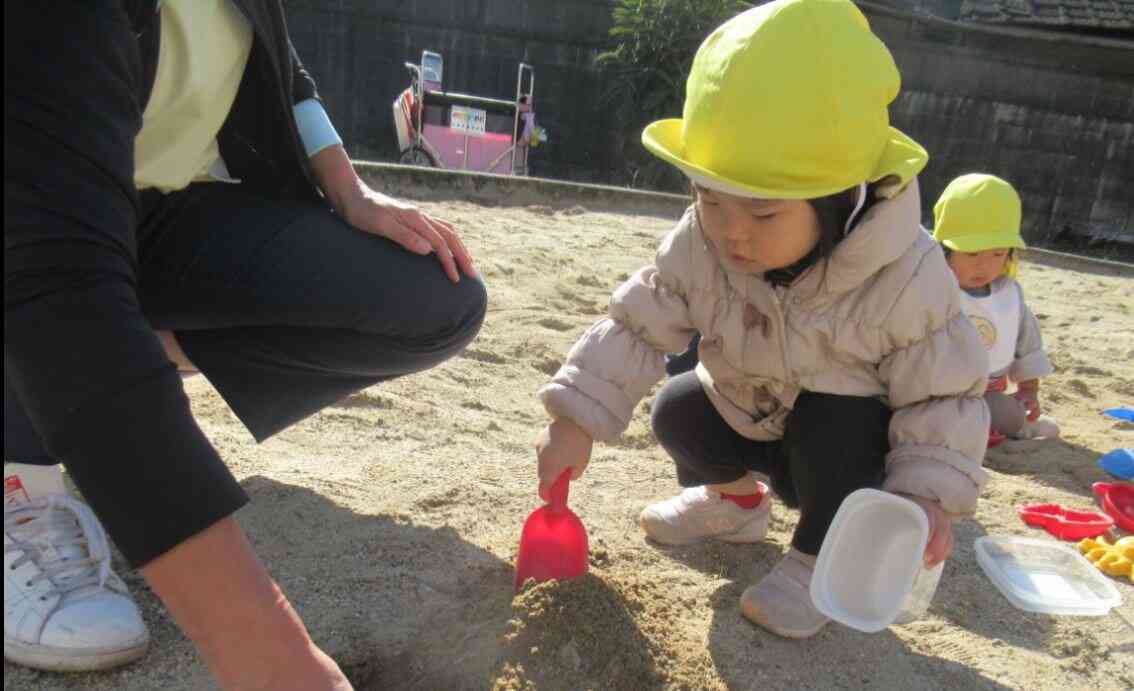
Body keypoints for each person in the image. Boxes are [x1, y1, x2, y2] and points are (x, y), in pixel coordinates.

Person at [5, 1, 484, 687]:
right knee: (52, 312)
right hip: (32, 213)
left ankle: (117, 375)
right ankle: (19, 481)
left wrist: (349, 190)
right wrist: (274, 660)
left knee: (435, 293)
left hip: (154, 208)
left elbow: (284, 68)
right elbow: (59, 279)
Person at [533, 0, 990, 640]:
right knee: (679, 407)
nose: (732, 234)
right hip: (754, 413)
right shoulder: (704, 242)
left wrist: (926, 498)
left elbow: (944, 393)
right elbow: (639, 324)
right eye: (710, 198)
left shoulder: (904, 275)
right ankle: (738, 504)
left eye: (764, 214)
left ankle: (815, 562)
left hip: (849, 459)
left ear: (841, 198)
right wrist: (576, 419)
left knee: (838, 417)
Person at [933, 174, 1058, 441]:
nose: (984, 266)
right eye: (971, 253)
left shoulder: (1008, 297)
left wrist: (1028, 389)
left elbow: (1028, 343)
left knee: (1008, 415)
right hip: (932, 389)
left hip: (985, 391)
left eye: (998, 254)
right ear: (943, 249)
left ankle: (1022, 426)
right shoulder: (929, 287)